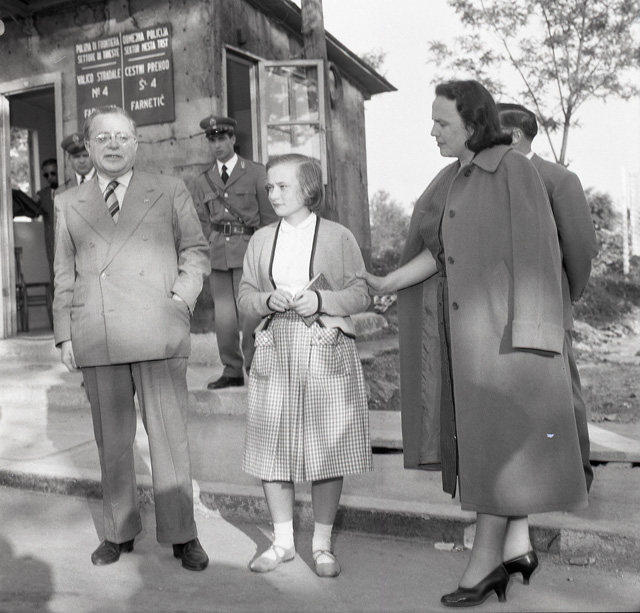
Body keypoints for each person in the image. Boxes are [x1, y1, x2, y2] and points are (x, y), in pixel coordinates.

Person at [359, 81, 588, 607]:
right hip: (470, 343)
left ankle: (483, 567)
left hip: (510, 346)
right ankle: (516, 549)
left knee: (494, 457)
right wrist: (388, 282)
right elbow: (439, 252)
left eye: (442, 122)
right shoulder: (454, 177)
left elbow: (538, 253)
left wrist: (536, 340)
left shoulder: (513, 170)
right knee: (488, 453)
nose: (432, 131)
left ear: (474, 123)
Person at [53, 105, 211, 571]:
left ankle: (183, 534)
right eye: (103, 137)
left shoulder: (168, 188)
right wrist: (65, 335)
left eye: (122, 136)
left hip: (158, 328)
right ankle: (118, 531)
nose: (113, 145)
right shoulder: (68, 202)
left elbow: (196, 250)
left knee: (169, 438)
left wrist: (180, 299)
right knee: (113, 442)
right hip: (97, 331)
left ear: (137, 144)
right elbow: (64, 273)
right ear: (88, 146)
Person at [238, 154, 372, 578]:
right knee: (272, 446)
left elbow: (361, 293)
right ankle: (282, 543)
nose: (273, 194)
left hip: (325, 345)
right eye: (270, 187)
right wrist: (266, 300)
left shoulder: (338, 236)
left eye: (283, 186)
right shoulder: (261, 240)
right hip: (276, 346)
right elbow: (244, 296)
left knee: (327, 447)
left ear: (308, 189)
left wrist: (321, 300)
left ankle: (321, 544)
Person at [497, 102, 599, 491]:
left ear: (515, 135)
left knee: (561, 395)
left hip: (548, 308)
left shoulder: (557, 179)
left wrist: (567, 294)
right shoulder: (487, 179)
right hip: (499, 311)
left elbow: (581, 247)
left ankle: (575, 479)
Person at [192, 116, 278, 389]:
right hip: (218, 254)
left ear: (232, 139)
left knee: (251, 313)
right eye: (212, 140)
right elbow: (201, 221)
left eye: (221, 139)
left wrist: (265, 254)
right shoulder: (203, 180)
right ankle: (231, 370)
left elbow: (269, 219)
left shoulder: (255, 173)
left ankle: (255, 365)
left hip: (249, 251)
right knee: (224, 317)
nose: (217, 145)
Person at [35, 158, 58, 287]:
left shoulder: (70, 188)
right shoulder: (42, 194)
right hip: (51, 246)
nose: (50, 177)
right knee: (55, 282)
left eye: (53, 173)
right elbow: (33, 211)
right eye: (46, 175)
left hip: (71, 245)